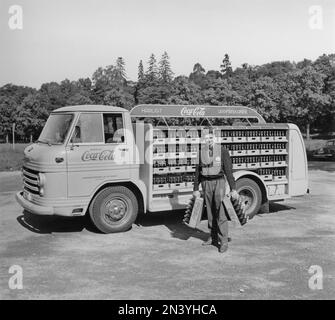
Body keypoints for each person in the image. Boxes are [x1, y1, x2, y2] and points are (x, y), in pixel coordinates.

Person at [193, 130, 239, 253]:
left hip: (219, 182)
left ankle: (223, 241)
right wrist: (196, 189)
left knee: (221, 211)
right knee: (209, 211)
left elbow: (229, 170)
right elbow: (197, 171)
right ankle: (213, 238)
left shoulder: (223, 151)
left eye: (211, 137)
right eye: (206, 138)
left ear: (215, 138)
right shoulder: (200, 152)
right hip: (205, 183)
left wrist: (233, 188)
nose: (209, 140)